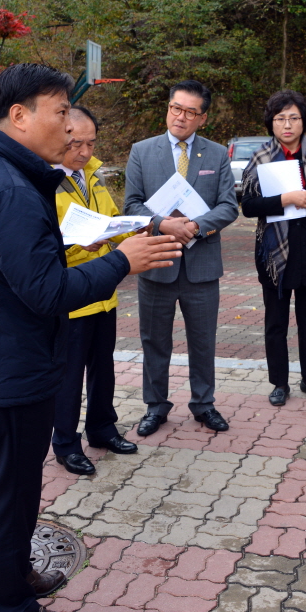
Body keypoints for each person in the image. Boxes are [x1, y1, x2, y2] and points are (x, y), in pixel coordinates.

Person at [0, 63, 182, 612]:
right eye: (61, 112)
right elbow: (47, 291)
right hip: (8, 374)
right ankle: (7, 602)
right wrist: (122, 261)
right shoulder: (10, 187)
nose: (71, 128)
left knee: (11, 491)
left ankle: (14, 572)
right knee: (7, 495)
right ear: (19, 116)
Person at [123, 79, 239, 435]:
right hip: (156, 261)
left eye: (191, 112)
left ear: (203, 118)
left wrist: (197, 226)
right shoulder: (142, 151)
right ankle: (155, 406)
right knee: (154, 341)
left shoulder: (217, 154)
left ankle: (204, 405)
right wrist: (163, 225)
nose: (181, 117)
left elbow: (228, 206)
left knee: (203, 341)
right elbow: (131, 204)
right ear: (168, 108)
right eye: (176, 108)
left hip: (201, 266)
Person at [240, 90, 306, 405]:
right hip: (274, 252)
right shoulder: (261, 157)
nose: (287, 124)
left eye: (294, 118)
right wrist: (287, 199)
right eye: (280, 118)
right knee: (275, 321)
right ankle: (279, 384)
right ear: (271, 123)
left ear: (303, 121)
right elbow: (248, 205)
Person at [51, 105, 140, 476]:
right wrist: (75, 246)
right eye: (77, 143)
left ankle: (102, 429)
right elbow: (45, 241)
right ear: (60, 135)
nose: (85, 152)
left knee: (103, 369)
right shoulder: (44, 179)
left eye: (91, 143)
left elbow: (109, 219)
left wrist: (136, 230)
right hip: (71, 295)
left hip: (104, 291)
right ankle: (65, 444)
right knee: (69, 376)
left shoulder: (93, 175)